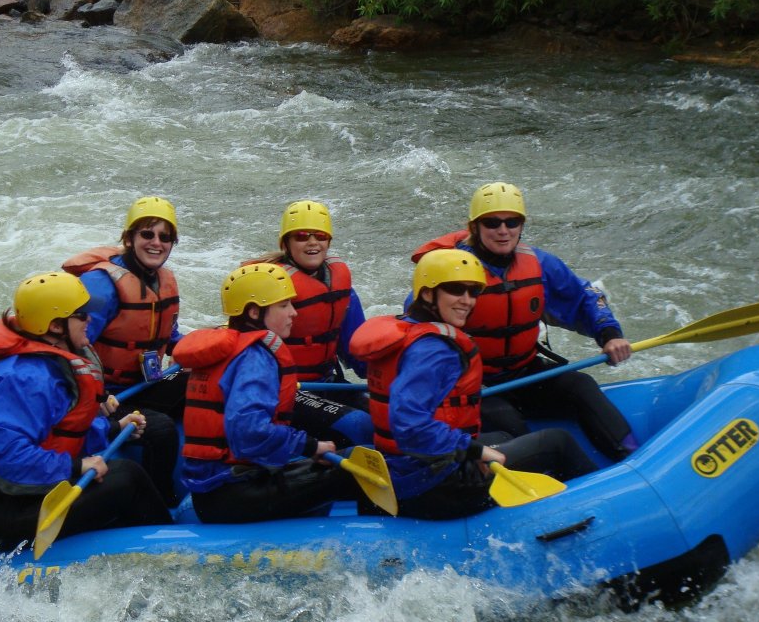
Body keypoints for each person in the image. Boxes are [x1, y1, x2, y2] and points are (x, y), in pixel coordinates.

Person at [350, 249, 597, 520]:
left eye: (473, 291)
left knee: (503, 438)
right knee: (556, 442)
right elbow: (408, 423)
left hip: (404, 471)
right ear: (428, 293)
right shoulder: (435, 350)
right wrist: (474, 450)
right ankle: (598, 513)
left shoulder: (405, 331)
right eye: (456, 290)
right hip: (437, 484)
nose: (467, 301)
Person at [0, 271, 172, 549]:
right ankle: (170, 550)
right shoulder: (26, 377)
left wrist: (112, 428)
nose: (90, 320)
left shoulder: (45, 364)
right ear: (55, 326)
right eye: (82, 314)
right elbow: (6, 456)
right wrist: (76, 466)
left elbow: (57, 432)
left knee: (120, 469)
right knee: (127, 477)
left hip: (7, 494)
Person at [410, 182, 638, 462]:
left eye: (512, 222)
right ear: (474, 227)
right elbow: (415, 325)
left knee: (581, 385)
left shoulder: (539, 263)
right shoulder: (450, 270)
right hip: (474, 384)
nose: (503, 230)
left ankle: (632, 458)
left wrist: (609, 334)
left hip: (524, 371)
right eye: (492, 222)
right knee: (513, 428)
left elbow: (584, 296)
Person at [172, 263, 366, 523]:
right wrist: (310, 445)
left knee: (335, 462)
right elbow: (249, 431)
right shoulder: (254, 358)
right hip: (231, 492)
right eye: (284, 306)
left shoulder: (230, 347)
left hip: (221, 484)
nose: (294, 313)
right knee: (353, 469)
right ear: (254, 311)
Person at [62, 196, 184, 504]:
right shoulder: (102, 286)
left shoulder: (163, 280)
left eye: (164, 236)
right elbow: (72, 348)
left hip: (142, 383)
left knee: (208, 385)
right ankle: (160, 503)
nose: (156, 243)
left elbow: (168, 335)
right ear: (129, 238)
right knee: (161, 429)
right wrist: (96, 394)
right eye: (147, 234)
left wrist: (201, 352)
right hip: (108, 396)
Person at [247, 200, 372, 447]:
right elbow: (245, 343)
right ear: (286, 243)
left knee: (384, 416)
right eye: (302, 236)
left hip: (325, 381)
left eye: (320, 236)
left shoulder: (341, 288)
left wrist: (388, 378)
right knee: (359, 424)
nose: (312, 242)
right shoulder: (264, 289)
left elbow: (355, 351)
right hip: (286, 389)